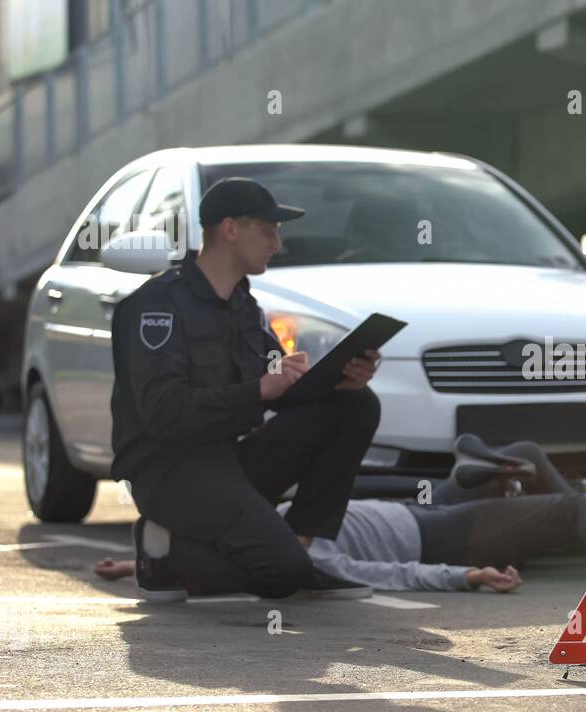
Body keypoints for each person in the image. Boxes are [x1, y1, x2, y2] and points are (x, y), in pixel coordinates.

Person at [110, 177, 382, 602]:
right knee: (282, 574)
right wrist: (258, 389)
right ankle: (164, 553)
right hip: (169, 472)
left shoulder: (245, 307)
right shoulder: (158, 306)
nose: (277, 242)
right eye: (268, 229)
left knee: (355, 406)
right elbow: (163, 413)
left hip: (227, 461)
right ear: (231, 229)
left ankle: (301, 548)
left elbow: (280, 388)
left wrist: (341, 379)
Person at [95, 442, 586, 593]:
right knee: (568, 509)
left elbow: (195, 550)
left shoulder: (244, 528)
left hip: (422, 506)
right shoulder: (299, 556)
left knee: (527, 454)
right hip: (435, 539)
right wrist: (465, 577)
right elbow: (384, 575)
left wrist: (129, 562)